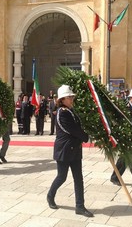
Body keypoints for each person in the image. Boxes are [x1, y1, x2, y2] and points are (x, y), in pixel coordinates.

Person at [47, 85, 93, 217]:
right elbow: (74, 130)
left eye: (72, 97)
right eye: (69, 97)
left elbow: (79, 127)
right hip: (65, 150)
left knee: (78, 178)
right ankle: (50, 195)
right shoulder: (63, 113)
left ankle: (80, 206)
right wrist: (86, 137)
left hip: (75, 149)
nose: (72, 99)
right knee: (62, 177)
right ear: (62, 99)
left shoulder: (71, 111)